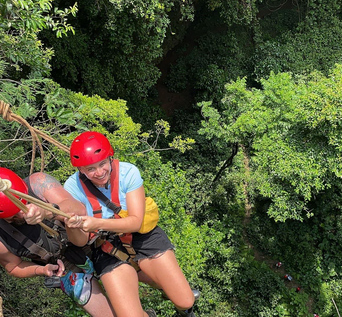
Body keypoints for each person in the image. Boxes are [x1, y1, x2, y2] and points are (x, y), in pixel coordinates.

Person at [64, 131, 196, 317]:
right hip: (105, 247)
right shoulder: (71, 188)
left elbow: (135, 222)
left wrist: (96, 222)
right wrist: (72, 225)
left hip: (142, 236)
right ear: (81, 170)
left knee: (185, 300)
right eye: (90, 169)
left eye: (102, 164)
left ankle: (180, 304)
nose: (99, 172)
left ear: (110, 158)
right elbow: (79, 242)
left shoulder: (128, 172)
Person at [0, 168, 115, 317]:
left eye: (21, 205)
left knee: (129, 311)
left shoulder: (37, 183)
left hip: (93, 241)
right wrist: (42, 270)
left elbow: (79, 209)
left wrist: (45, 211)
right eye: (13, 215)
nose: (22, 213)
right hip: (66, 269)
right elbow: (14, 267)